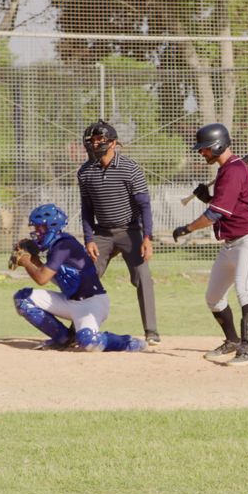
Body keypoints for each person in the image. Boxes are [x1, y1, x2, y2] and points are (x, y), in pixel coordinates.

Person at [172, 123, 248, 367]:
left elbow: (215, 214)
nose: (201, 153)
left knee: (245, 290)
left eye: (204, 149)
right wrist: (208, 197)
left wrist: (187, 228)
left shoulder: (234, 170)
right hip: (231, 243)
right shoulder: (227, 169)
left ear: (216, 145)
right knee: (214, 297)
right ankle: (233, 341)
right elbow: (229, 203)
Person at [12, 203, 148, 353]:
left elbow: (42, 279)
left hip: (91, 303)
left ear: (52, 226)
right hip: (70, 301)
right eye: (36, 228)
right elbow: (49, 274)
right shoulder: (56, 247)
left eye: (40, 228)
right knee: (23, 299)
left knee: (89, 342)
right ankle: (63, 339)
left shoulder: (64, 245)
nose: (37, 232)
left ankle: (127, 342)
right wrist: (33, 260)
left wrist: (26, 262)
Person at [77, 120, 161, 346]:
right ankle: (77, 329)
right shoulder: (85, 172)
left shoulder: (130, 168)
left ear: (113, 143)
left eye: (99, 140)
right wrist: (88, 239)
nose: (95, 144)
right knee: (86, 278)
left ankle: (151, 331)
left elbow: (144, 206)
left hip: (130, 231)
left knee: (143, 277)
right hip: (102, 233)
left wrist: (147, 238)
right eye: (91, 140)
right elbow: (86, 209)